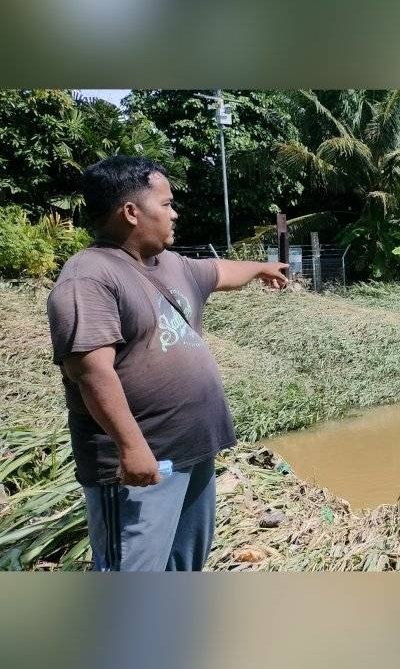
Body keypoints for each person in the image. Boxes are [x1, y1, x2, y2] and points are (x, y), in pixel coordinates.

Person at [46, 155, 288, 571]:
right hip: (142, 466)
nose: (175, 213)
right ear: (132, 213)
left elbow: (219, 271)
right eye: (167, 204)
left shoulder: (171, 264)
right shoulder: (89, 276)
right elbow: (90, 371)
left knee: (183, 566)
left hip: (194, 450)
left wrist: (261, 268)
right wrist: (132, 447)